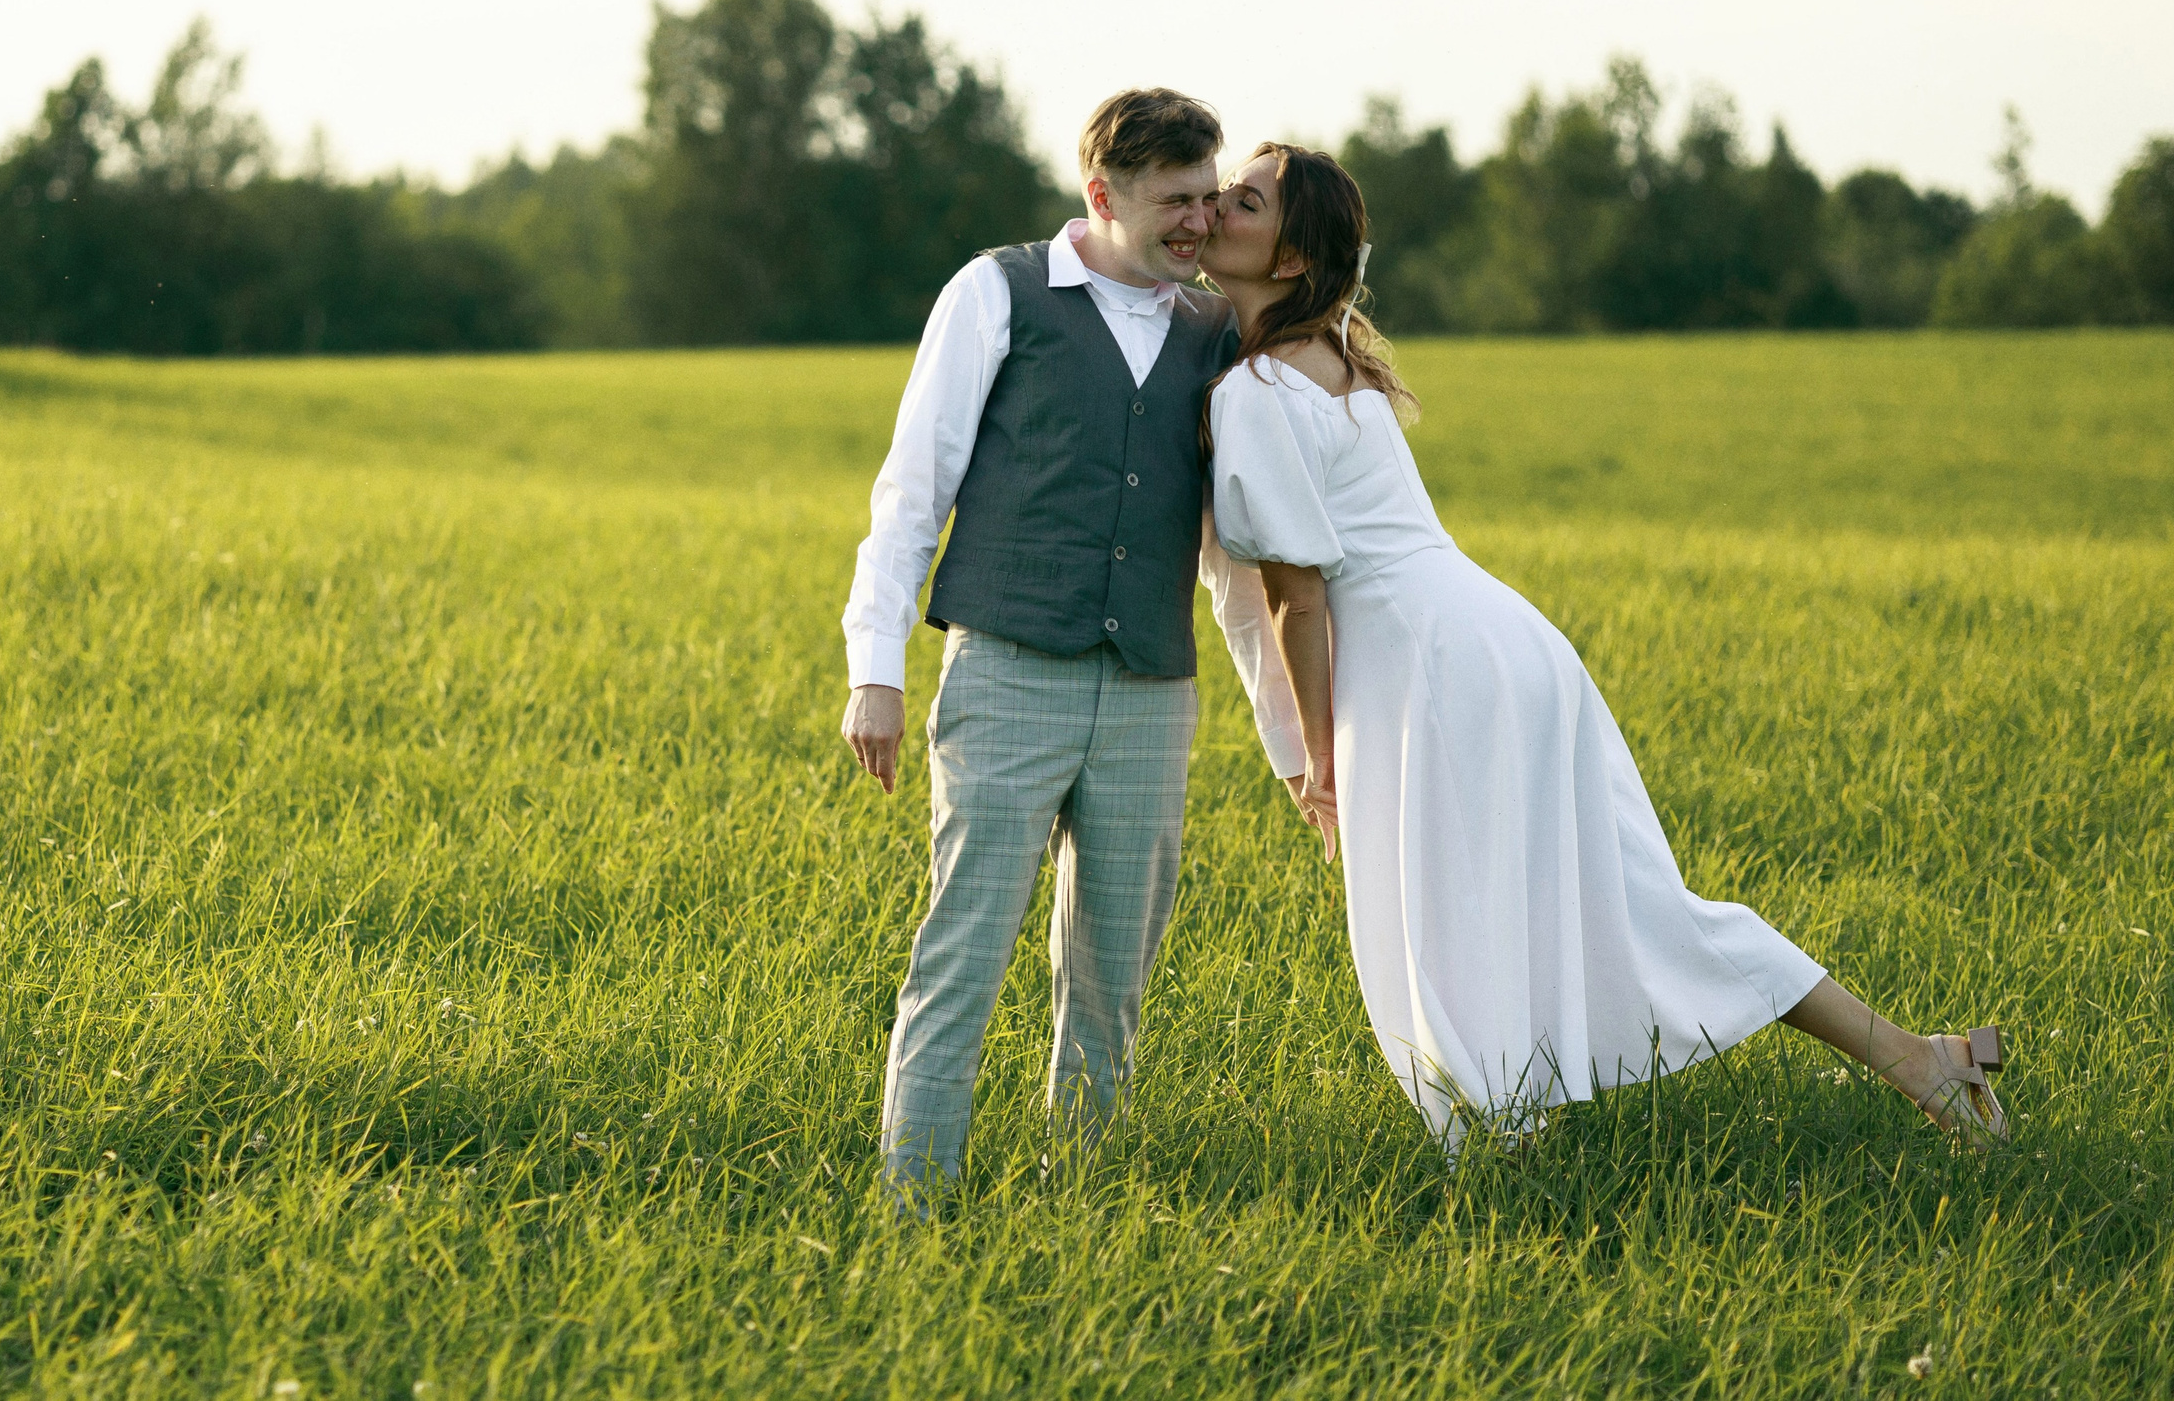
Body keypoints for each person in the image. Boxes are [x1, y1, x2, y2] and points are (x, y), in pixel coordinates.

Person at [1193, 140, 2009, 1151]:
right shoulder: (1337, 359)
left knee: (1440, 926)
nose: (1217, 205)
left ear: (1288, 259)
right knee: (1635, 909)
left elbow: (1298, 599)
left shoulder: (1256, 390)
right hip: (1507, 644)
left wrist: (1318, 756)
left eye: (1245, 201)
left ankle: (1500, 1142)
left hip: (1426, 668)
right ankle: (1922, 1060)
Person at [840, 89, 1304, 1198]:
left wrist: (1294, 747)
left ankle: (1078, 1196)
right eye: (1174, 200)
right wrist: (874, 670)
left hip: (1151, 692)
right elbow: (913, 490)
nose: (1199, 222)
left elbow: (1235, 571)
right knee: (964, 951)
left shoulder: (1214, 334)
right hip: (1007, 672)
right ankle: (913, 1199)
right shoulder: (996, 293)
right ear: (1102, 194)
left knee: (1111, 978)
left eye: (1208, 197)